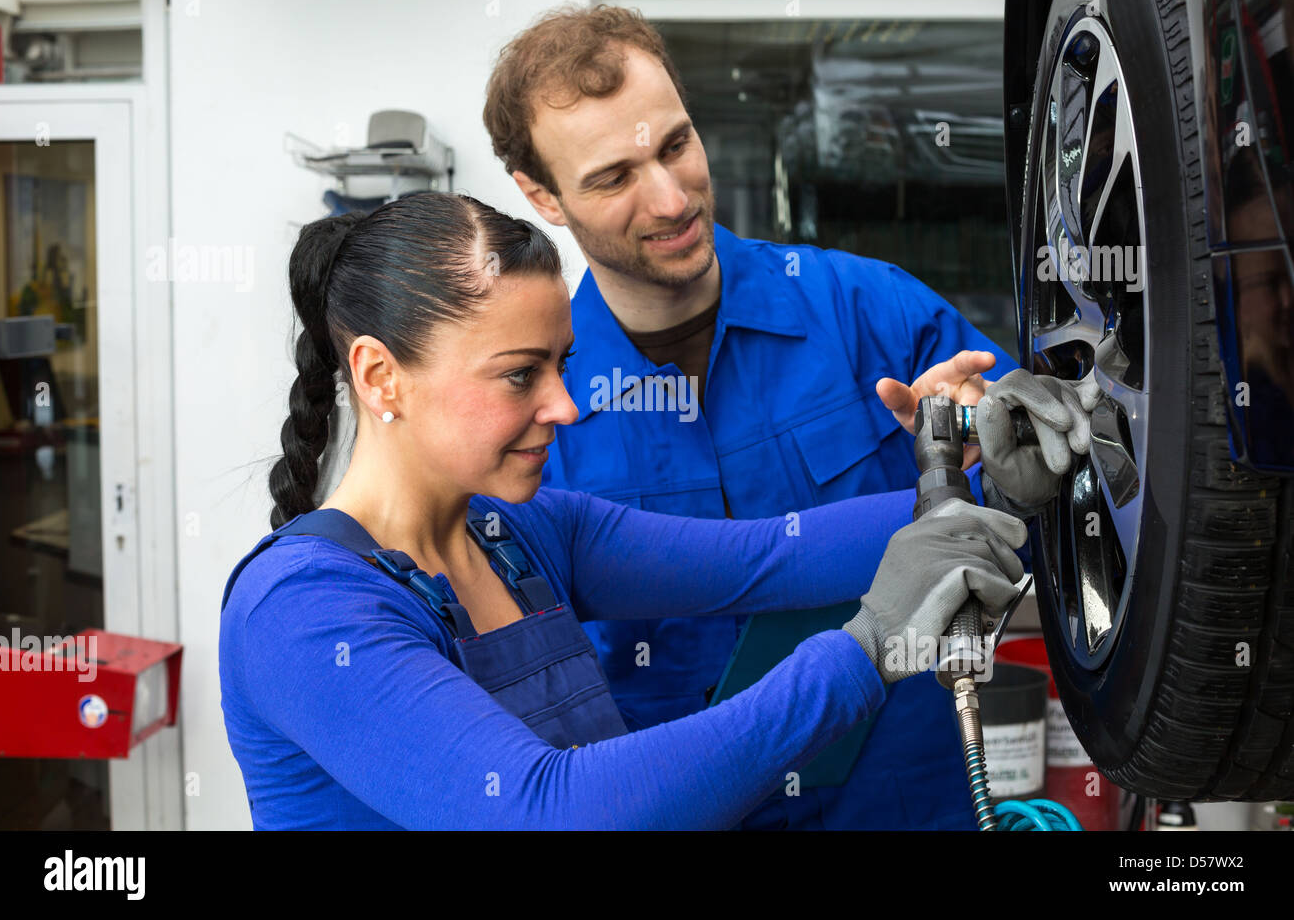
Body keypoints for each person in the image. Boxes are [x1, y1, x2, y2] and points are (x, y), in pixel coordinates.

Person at [218, 191, 1088, 829]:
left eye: (562, 363)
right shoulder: (303, 612)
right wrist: (861, 654)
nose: (565, 405)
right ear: (379, 377)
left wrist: (988, 489)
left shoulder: (525, 535)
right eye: (522, 374)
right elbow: (543, 811)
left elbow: (767, 558)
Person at [482, 4, 1095, 828]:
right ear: (541, 196)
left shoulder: (865, 309)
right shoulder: (538, 411)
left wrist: (992, 451)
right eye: (615, 177)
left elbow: (1053, 479)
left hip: (906, 800)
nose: (669, 199)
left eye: (674, 145)